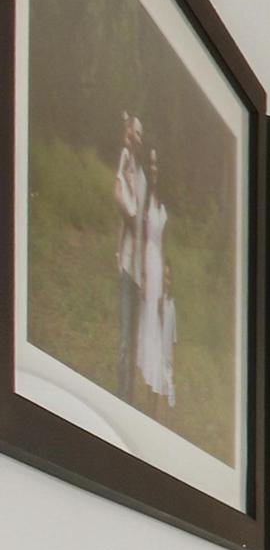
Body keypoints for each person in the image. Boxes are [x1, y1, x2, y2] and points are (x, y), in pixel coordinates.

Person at [134, 159, 173, 405]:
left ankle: (155, 370)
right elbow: (141, 234)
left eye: (158, 165)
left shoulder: (162, 205)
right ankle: (144, 362)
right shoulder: (145, 199)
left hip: (157, 259)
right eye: (151, 165)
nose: (154, 169)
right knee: (146, 312)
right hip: (147, 256)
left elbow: (163, 241)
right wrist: (144, 272)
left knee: (156, 315)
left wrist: (164, 270)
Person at [112, 113, 146, 387]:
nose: (139, 138)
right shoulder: (125, 156)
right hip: (127, 264)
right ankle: (121, 386)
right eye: (136, 132)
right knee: (125, 329)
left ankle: (127, 388)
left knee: (133, 332)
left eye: (141, 135)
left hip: (136, 269)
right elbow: (117, 192)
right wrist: (131, 215)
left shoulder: (137, 167)